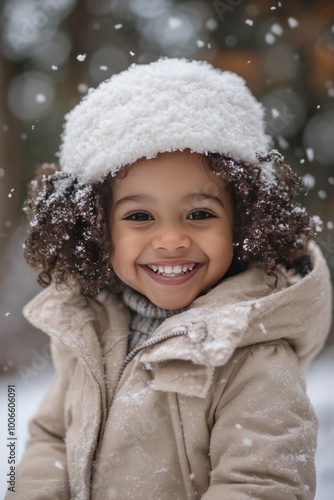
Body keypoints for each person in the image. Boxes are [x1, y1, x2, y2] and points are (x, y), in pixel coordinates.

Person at [11, 58, 332, 499]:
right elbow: (51, 437)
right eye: (139, 216)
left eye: (199, 214)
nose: (171, 239)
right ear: (97, 227)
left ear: (243, 223)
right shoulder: (88, 327)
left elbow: (262, 484)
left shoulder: (254, 356)